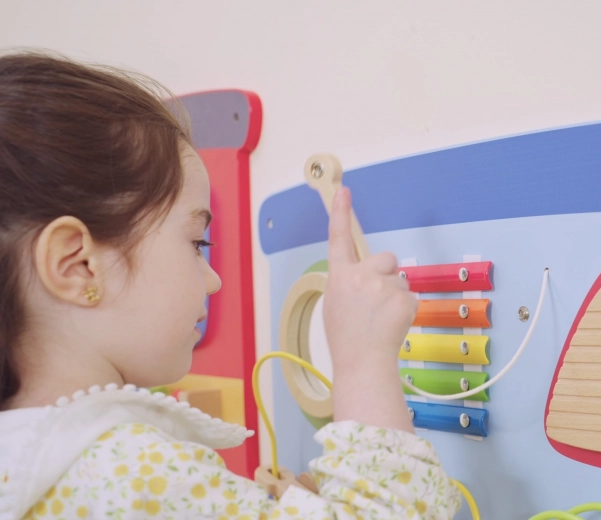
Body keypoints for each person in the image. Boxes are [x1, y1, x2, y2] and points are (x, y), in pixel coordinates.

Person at [0, 52, 462, 519]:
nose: (214, 278)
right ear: (77, 264)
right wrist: (364, 360)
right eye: (196, 243)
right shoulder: (131, 475)